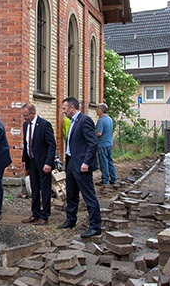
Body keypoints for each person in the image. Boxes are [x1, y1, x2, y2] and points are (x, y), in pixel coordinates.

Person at [59, 97, 103, 238]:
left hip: (82, 164)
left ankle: (95, 226)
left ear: (72, 107)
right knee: (71, 194)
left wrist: (86, 162)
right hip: (71, 162)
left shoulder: (84, 120)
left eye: (64, 108)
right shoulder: (73, 122)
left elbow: (92, 143)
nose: (63, 111)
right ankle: (71, 220)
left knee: (88, 195)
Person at [20, 104, 56, 225]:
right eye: (23, 115)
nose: (24, 118)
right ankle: (35, 213)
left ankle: (44, 216)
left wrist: (48, 162)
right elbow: (26, 144)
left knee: (44, 189)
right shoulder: (25, 125)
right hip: (32, 161)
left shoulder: (44, 125)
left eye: (26, 115)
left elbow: (52, 145)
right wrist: (24, 160)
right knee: (34, 187)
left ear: (33, 113)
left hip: (43, 162)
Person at [95, 103, 117, 185]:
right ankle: (114, 178)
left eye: (97, 109)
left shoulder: (101, 120)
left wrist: (92, 134)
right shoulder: (109, 119)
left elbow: (99, 133)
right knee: (110, 161)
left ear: (100, 110)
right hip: (109, 143)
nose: (96, 111)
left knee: (103, 162)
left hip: (102, 144)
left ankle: (105, 180)